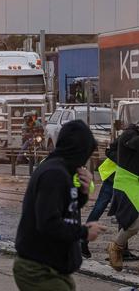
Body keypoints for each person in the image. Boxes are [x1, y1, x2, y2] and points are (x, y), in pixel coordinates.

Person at [13, 120, 103, 291]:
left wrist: (83, 192)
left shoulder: (62, 170)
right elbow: (48, 222)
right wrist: (84, 232)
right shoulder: (54, 174)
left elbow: (66, 207)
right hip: (39, 268)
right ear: (78, 150)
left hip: (53, 266)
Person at [108, 123, 139, 271]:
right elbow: (131, 144)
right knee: (134, 223)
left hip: (135, 183)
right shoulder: (129, 134)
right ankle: (116, 247)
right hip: (126, 184)